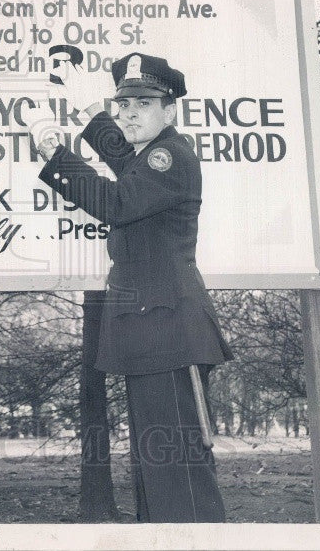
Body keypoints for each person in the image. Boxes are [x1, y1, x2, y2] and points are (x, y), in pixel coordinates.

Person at [28, 52, 233, 523]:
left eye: (144, 103)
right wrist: (85, 109)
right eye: (123, 106)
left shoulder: (170, 157)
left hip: (170, 338)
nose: (130, 113)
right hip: (154, 335)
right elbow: (121, 156)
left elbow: (117, 203)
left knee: (179, 479)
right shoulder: (146, 158)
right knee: (157, 479)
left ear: (170, 109)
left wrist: (54, 153)